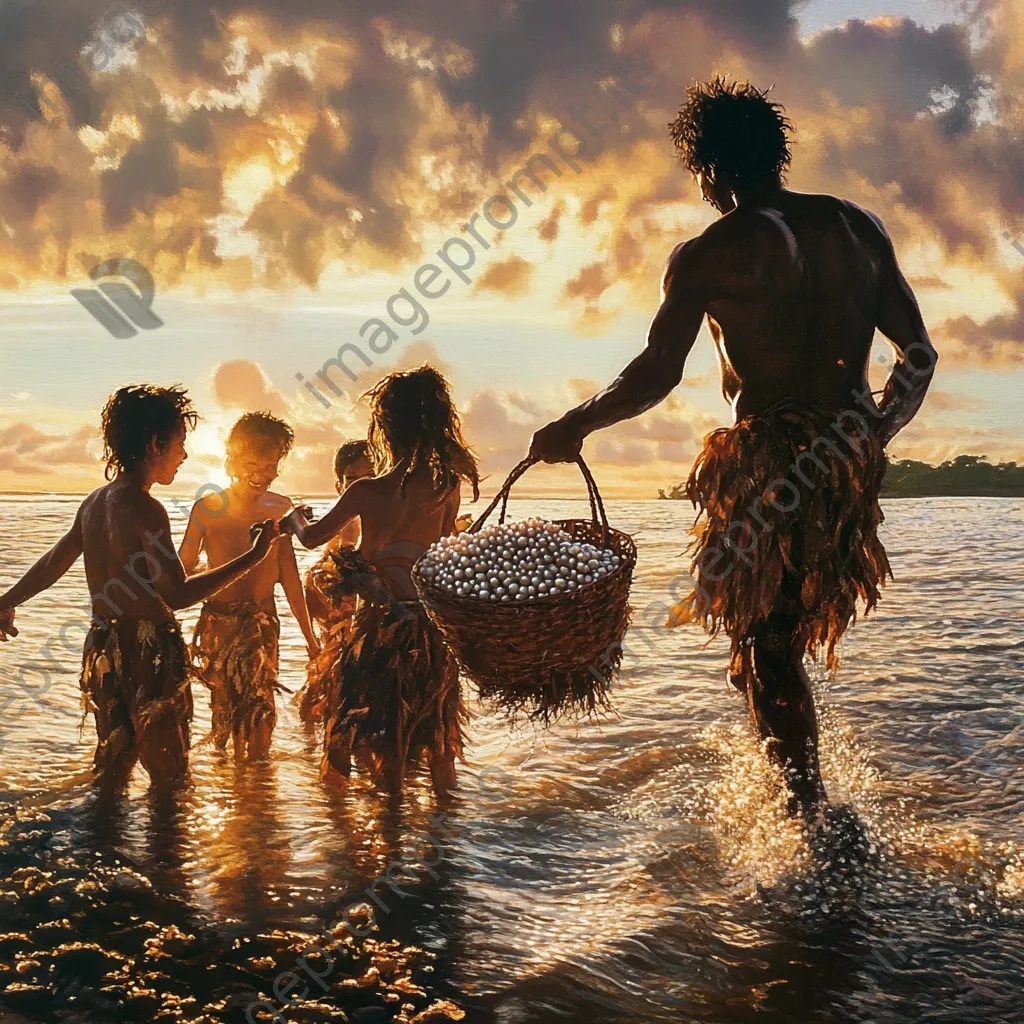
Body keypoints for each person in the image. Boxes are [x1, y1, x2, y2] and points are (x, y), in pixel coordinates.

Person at [528, 77, 937, 819]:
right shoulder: (859, 230)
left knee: (764, 640)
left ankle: (807, 819)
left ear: (708, 168)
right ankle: (802, 802)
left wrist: (575, 425)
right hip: (845, 461)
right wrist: (874, 435)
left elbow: (656, 372)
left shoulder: (711, 253)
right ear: (775, 153)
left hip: (770, 463)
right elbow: (919, 355)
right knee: (770, 640)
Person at [0, 385, 280, 795]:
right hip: (150, 652)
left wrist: (6, 601)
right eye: (181, 444)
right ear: (156, 444)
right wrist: (254, 556)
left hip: (104, 645)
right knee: (170, 778)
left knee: (112, 768)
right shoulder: (147, 509)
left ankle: (97, 849)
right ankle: (164, 859)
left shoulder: (95, 502)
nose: (184, 456)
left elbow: (54, 563)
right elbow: (178, 594)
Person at [282, 366, 479, 797]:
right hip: (429, 633)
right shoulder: (447, 487)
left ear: (385, 429)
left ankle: (382, 846)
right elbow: (444, 557)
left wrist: (292, 518)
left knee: (378, 738)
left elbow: (313, 539)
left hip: (378, 636)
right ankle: (446, 847)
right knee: (439, 740)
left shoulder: (365, 492)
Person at [179, 411, 319, 760]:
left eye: (270, 466)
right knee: (222, 713)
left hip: (262, 626)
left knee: (260, 709)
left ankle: (258, 794)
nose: (261, 476)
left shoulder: (281, 509)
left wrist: (309, 636)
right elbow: (182, 568)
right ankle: (230, 792)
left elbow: (288, 577)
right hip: (218, 624)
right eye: (251, 465)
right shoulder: (207, 509)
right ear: (231, 461)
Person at [296, 439, 375, 725]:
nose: (362, 486)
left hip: (352, 584)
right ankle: (314, 733)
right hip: (331, 583)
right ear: (339, 486)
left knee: (347, 665)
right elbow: (316, 540)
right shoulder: (346, 514)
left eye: (371, 477)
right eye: (353, 479)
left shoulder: (381, 516)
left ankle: (319, 729)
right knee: (332, 660)